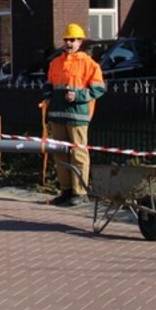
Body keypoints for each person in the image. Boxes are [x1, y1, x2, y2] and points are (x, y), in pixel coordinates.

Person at [42, 23, 106, 207]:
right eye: (67, 40)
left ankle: (80, 192)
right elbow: (49, 84)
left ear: (80, 42)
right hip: (57, 115)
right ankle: (66, 190)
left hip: (78, 116)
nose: (69, 43)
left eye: (73, 40)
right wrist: (47, 96)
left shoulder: (89, 64)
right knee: (60, 153)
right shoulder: (55, 63)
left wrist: (78, 96)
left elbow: (99, 88)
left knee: (78, 154)